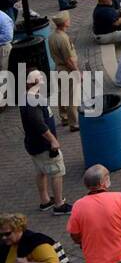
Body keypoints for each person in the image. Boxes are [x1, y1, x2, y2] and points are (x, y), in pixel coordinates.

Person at [20, 72, 71, 215]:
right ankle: (59, 205)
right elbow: (38, 123)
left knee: (41, 171)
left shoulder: (27, 96)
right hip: (44, 146)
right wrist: (52, 140)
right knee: (57, 171)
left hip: (33, 145)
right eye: (40, 79)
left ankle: (45, 201)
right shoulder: (33, 100)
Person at [0, 212, 70, 263]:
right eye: (1, 235)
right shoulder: (7, 244)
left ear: (18, 229)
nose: (3, 237)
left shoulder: (34, 241)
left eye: (7, 234)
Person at [47, 15, 81, 130]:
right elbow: (69, 60)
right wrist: (77, 72)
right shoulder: (63, 38)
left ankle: (64, 117)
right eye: (68, 19)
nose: (69, 20)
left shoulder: (52, 36)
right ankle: (74, 123)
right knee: (72, 97)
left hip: (59, 68)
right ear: (65, 22)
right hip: (67, 70)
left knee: (62, 94)